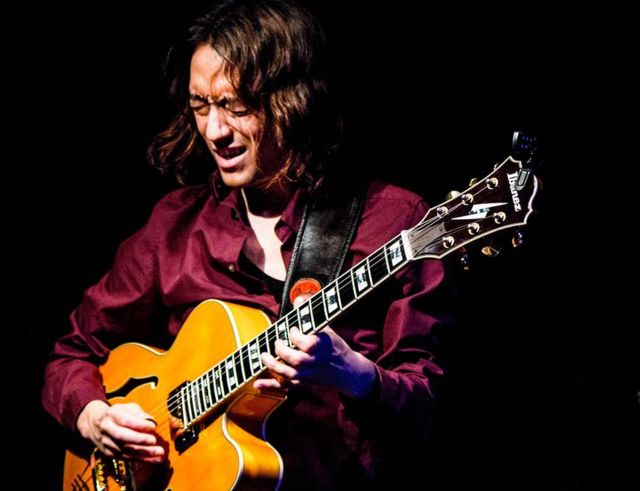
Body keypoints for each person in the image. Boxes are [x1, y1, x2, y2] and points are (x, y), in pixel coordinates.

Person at [42, 0, 457, 489]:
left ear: (294, 101)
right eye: (201, 106)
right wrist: (93, 417)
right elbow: (71, 355)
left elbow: (431, 411)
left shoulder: (393, 222)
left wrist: (355, 374)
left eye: (236, 106)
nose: (215, 131)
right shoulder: (175, 226)